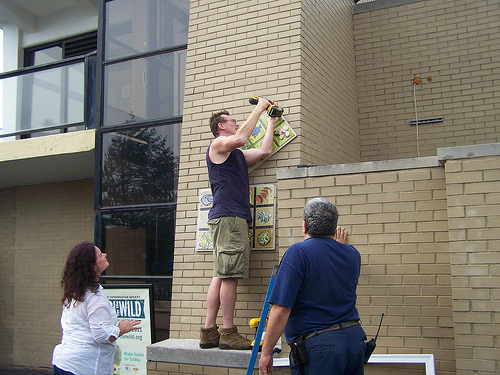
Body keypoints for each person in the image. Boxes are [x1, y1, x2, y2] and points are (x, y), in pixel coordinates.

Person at [200, 98, 277, 350]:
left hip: (228, 218)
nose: (234, 122)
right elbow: (242, 138)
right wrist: (259, 107)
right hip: (230, 217)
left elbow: (264, 151)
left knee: (220, 274)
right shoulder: (218, 144)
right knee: (230, 275)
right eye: (231, 120)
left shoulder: (236, 156)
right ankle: (228, 332)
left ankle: (209, 332)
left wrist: (271, 121)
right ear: (221, 127)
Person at [259, 198, 367, 375]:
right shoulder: (353, 254)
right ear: (333, 227)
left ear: (304, 226)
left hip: (320, 348)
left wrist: (266, 352)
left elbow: (281, 309)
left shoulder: (298, 253)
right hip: (354, 341)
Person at [52, 242, 140, 375]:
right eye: (100, 255)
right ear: (92, 266)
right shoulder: (95, 298)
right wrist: (121, 329)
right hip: (83, 366)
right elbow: (101, 335)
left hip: (63, 362)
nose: (105, 255)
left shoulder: (74, 292)